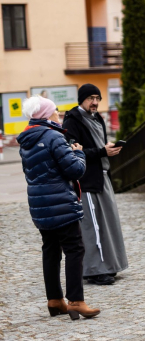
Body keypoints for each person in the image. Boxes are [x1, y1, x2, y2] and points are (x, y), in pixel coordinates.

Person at [17, 95, 100, 320]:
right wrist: (79, 152)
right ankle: (76, 301)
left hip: (39, 203)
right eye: (55, 111)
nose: (59, 115)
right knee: (74, 248)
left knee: (51, 250)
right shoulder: (53, 136)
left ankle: (54, 300)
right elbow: (75, 170)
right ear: (46, 115)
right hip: (61, 203)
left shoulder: (26, 139)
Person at [62, 84, 129, 286]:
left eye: (98, 98)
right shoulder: (72, 120)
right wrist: (102, 152)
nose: (95, 102)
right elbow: (73, 152)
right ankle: (94, 271)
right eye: (91, 98)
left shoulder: (97, 117)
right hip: (86, 180)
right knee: (91, 226)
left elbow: (98, 146)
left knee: (108, 222)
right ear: (82, 99)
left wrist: (107, 150)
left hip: (102, 176)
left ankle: (109, 265)